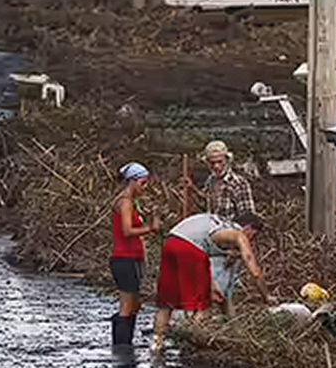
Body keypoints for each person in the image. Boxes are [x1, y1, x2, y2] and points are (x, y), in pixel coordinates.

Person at [153, 211, 269, 353]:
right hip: (191, 248)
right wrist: (267, 296)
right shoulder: (239, 234)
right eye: (253, 236)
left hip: (171, 243)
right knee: (203, 304)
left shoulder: (220, 224)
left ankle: (157, 344)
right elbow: (254, 270)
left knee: (166, 303)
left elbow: (216, 282)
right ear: (248, 228)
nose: (252, 241)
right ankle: (195, 343)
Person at [110, 162, 161, 346]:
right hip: (124, 259)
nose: (144, 187)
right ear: (132, 181)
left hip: (131, 258)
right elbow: (127, 231)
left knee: (133, 305)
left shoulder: (132, 202)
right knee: (127, 306)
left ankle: (125, 345)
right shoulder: (125, 202)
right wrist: (150, 228)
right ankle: (121, 347)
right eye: (142, 183)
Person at [181, 139, 255, 221]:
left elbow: (248, 218)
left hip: (231, 228)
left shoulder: (239, 184)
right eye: (212, 163)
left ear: (226, 160)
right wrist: (191, 187)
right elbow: (205, 203)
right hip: (213, 227)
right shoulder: (211, 181)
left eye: (220, 162)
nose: (216, 166)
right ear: (207, 163)